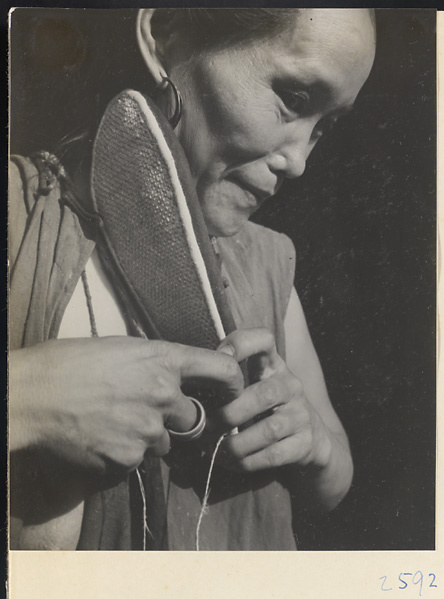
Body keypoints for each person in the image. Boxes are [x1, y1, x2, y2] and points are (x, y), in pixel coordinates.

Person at [9, 8, 376, 550]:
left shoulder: (270, 264)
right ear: (164, 36)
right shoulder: (18, 215)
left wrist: (313, 441)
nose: (299, 161)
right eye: (293, 99)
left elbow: (333, 480)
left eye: (323, 126)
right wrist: (33, 395)